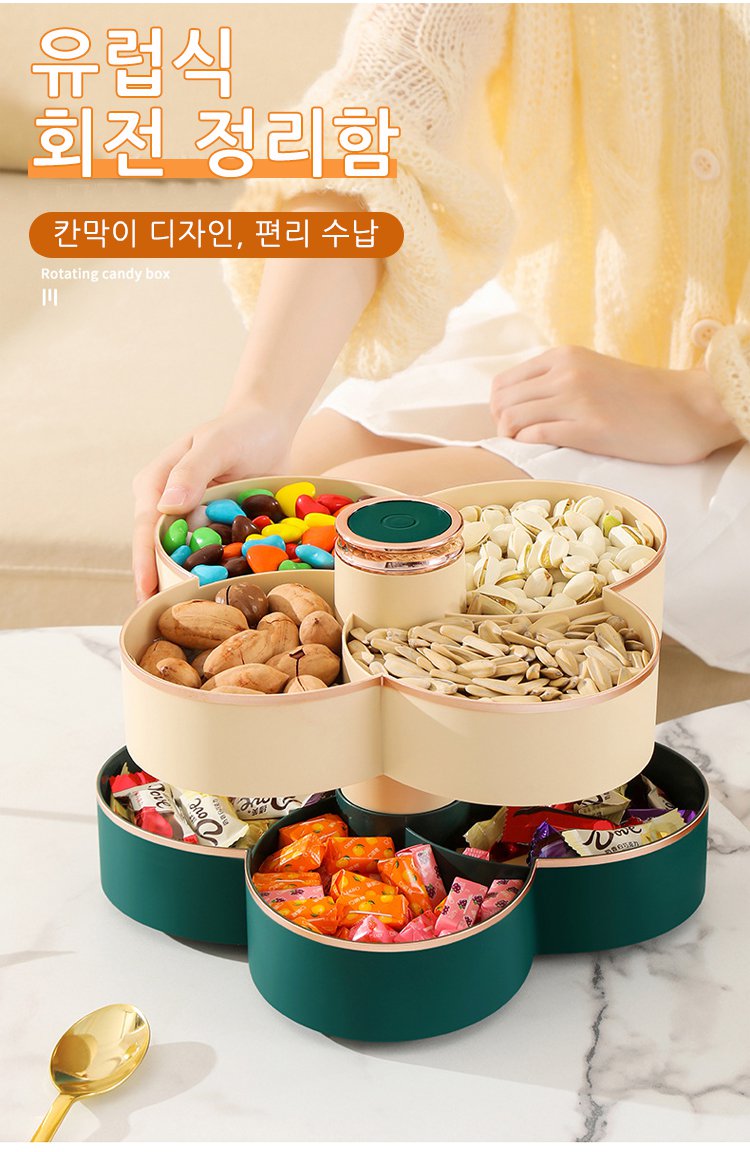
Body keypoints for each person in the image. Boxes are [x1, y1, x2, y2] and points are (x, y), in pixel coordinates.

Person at [133, 3, 750, 672]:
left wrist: (709, 400)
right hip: (565, 328)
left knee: (368, 551)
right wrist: (262, 406)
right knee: (268, 499)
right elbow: (374, 117)